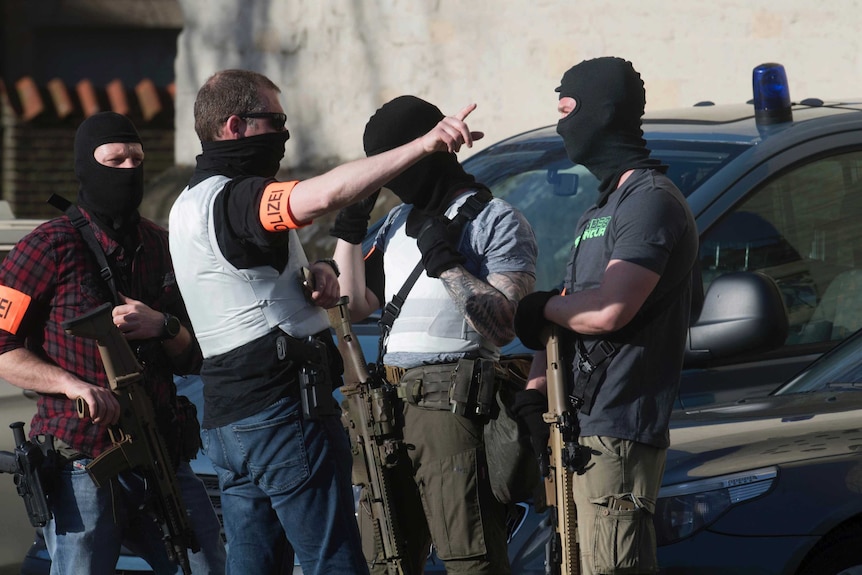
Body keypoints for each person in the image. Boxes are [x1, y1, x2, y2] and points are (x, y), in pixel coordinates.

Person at [167, 70, 481, 575]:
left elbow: (241, 282)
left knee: (255, 563)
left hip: (230, 420)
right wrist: (423, 146)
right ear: (234, 125)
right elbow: (321, 196)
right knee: (332, 561)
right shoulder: (235, 198)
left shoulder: (189, 203)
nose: (284, 133)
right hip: (278, 412)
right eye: (275, 120)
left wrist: (306, 277)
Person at [0, 111, 226, 574]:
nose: (128, 170)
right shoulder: (48, 246)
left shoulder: (163, 244)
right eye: (115, 160)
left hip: (162, 454)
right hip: (83, 460)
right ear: (87, 166)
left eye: (136, 160)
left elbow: (195, 356)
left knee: (207, 566)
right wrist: (72, 386)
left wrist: (164, 326)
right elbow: (2, 346)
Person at [330, 95, 538, 574]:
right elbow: (355, 303)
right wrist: (350, 231)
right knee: (386, 558)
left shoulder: (496, 219)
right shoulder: (397, 221)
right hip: (385, 408)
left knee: (470, 558)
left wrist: (446, 263)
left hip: (449, 406)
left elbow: (504, 325)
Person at [511, 57, 700, 575]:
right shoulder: (602, 209)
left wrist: (537, 305)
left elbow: (609, 310)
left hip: (617, 429)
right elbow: (571, 308)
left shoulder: (650, 202)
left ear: (604, 113)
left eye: (568, 111)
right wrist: (534, 394)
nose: (561, 125)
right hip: (576, 430)